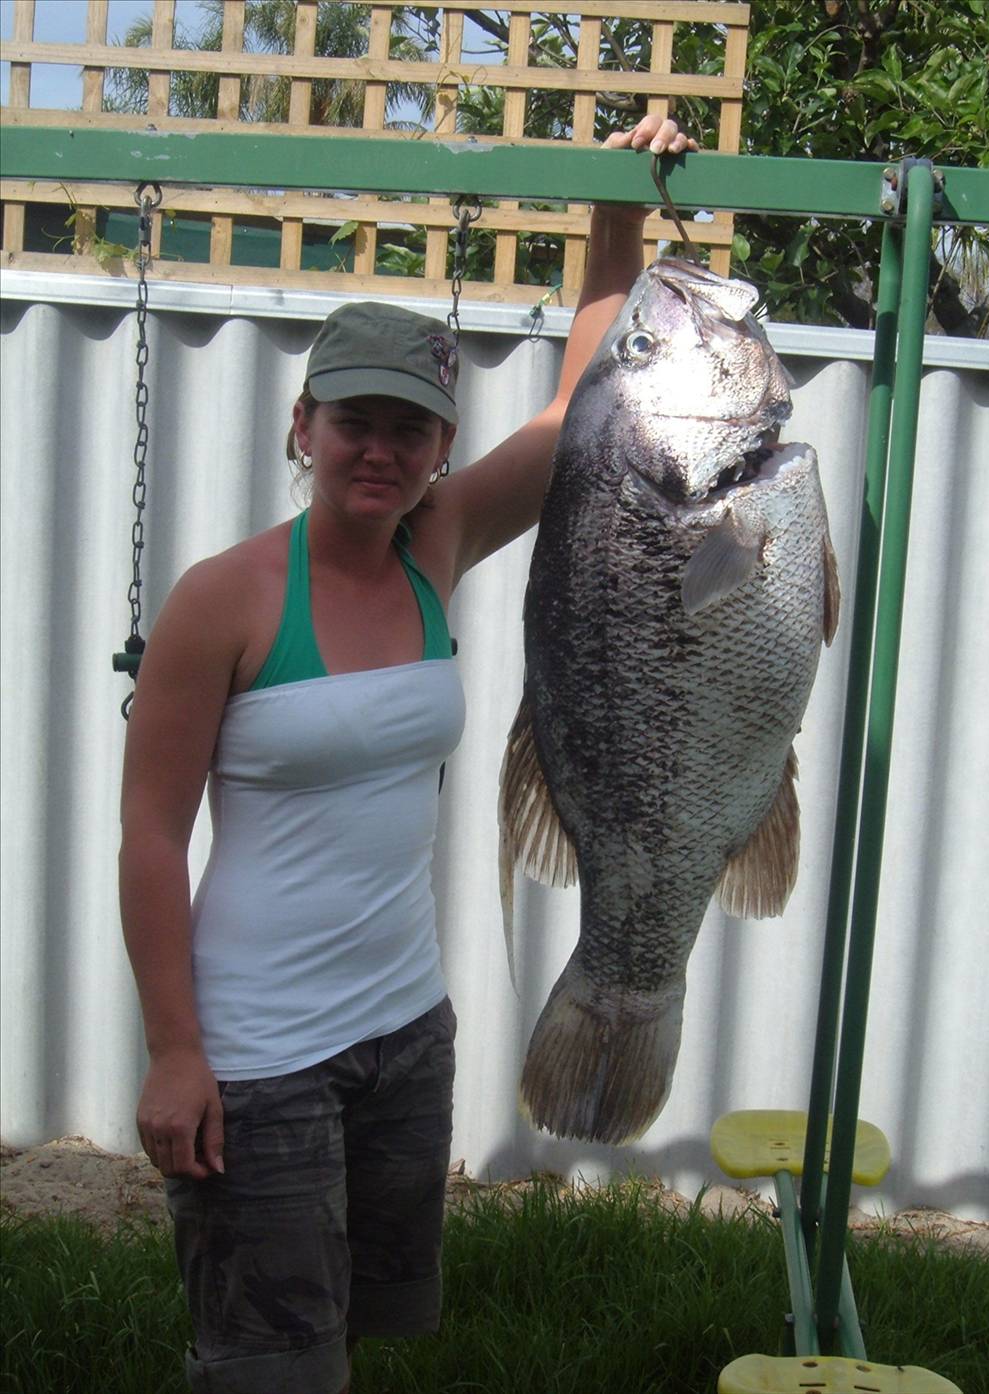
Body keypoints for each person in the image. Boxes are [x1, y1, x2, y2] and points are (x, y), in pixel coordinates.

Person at [119, 113, 696, 1394]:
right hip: (257, 1048)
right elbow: (151, 835)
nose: (381, 449)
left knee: (364, 1336)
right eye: (355, 421)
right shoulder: (227, 600)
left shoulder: (436, 544)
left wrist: (618, 203)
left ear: (440, 441)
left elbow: (577, 394)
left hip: (402, 1029)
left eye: (411, 426)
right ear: (303, 425)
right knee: (273, 1366)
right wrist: (173, 1047)